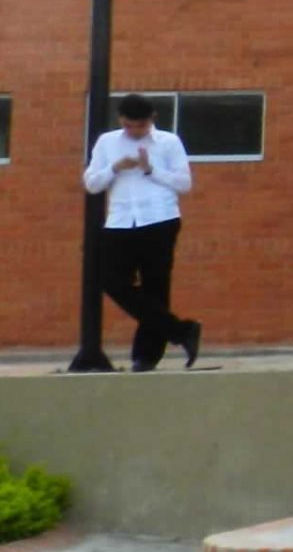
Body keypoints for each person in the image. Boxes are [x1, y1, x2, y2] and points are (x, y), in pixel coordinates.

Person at [79, 94, 202, 372]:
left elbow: (184, 184)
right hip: (120, 220)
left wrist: (151, 170)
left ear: (152, 119)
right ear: (121, 120)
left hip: (160, 218)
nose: (136, 131)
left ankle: (146, 357)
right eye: (130, 126)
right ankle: (181, 330)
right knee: (110, 280)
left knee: (155, 287)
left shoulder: (169, 142)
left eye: (142, 126)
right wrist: (115, 167)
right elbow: (92, 183)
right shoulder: (107, 142)